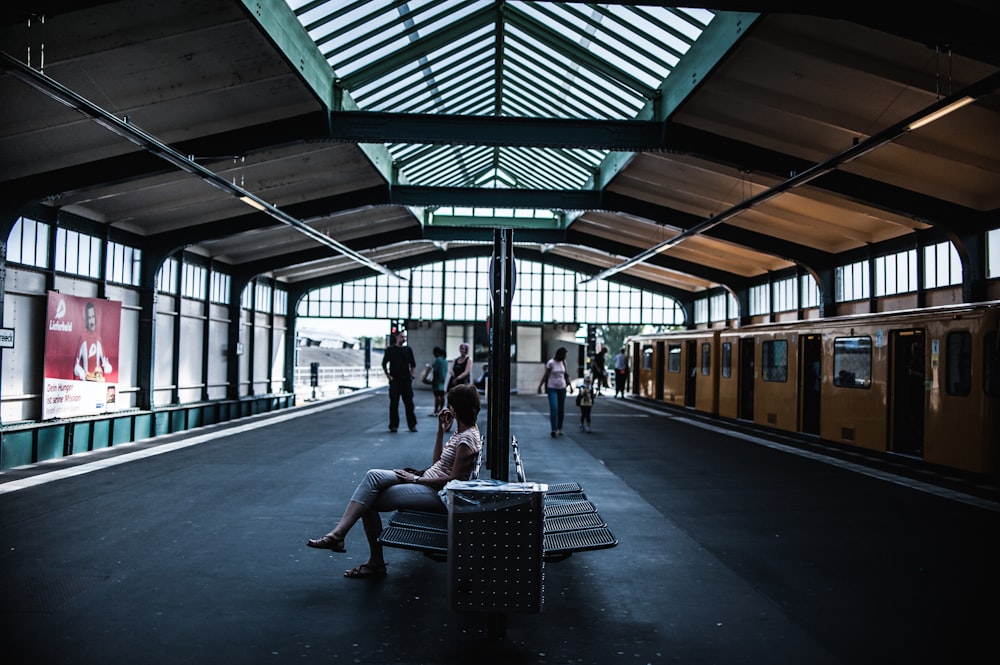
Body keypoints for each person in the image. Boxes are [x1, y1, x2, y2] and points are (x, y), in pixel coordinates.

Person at [306, 383, 482, 579]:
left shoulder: (466, 439)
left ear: (455, 410)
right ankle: (339, 535)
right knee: (373, 476)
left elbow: (454, 480)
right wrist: (441, 431)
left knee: (369, 501)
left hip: (438, 494)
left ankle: (371, 560)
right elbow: (439, 463)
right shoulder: (463, 431)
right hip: (428, 481)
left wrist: (415, 479)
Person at [381, 332, 417, 433]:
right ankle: (393, 425)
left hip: (406, 380)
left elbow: (413, 364)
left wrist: (411, 376)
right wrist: (389, 376)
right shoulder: (390, 350)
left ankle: (412, 425)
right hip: (395, 380)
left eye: (405, 337)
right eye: (401, 337)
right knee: (394, 403)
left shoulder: (408, 350)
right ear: (397, 338)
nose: (403, 339)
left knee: (409, 403)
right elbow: (384, 364)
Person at [537, 346, 573, 437]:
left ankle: (560, 428)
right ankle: (554, 429)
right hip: (552, 387)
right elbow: (546, 375)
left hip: (562, 388)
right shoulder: (551, 363)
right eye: (565, 354)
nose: (565, 356)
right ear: (560, 354)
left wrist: (571, 386)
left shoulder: (564, 363)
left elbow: (566, 375)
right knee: (554, 407)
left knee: (561, 409)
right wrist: (540, 386)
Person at [74, 301, 113, 381]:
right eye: (89, 318)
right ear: (86, 320)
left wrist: (107, 368)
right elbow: (76, 365)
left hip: (97, 382)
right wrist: (81, 373)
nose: (91, 321)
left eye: (93, 317)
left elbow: (106, 364)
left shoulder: (98, 340)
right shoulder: (83, 339)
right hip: (85, 382)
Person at [430, 346, 449, 416]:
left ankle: (436, 411)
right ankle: (441, 410)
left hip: (437, 380)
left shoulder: (438, 360)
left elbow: (435, 370)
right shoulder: (445, 361)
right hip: (443, 380)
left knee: (437, 395)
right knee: (442, 395)